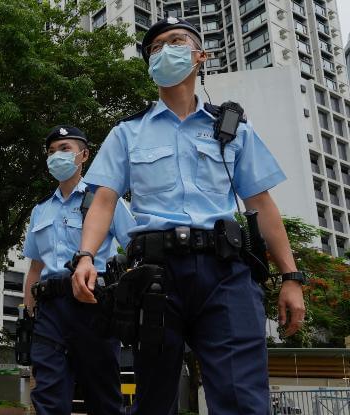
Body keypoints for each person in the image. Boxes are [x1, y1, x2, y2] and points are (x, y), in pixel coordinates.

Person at [71, 18, 306, 414]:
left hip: (226, 274)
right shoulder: (127, 132)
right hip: (155, 277)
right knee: (154, 400)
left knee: (242, 398)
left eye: (175, 41)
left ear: (200, 55)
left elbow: (260, 204)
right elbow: (104, 200)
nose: (165, 51)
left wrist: (291, 277)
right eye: (155, 48)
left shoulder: (232, 130)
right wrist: (86, 256)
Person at [23, 125, 135, 415]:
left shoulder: (105, 200)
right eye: (50, 152)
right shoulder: (40, 210)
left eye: (64, 149)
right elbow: (35, 267)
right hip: (50, 311)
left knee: (103, 394)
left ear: (84, 155)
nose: (56, 156)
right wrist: (30, 312)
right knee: (48, 396)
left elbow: (135, 248)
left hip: (93, 305)